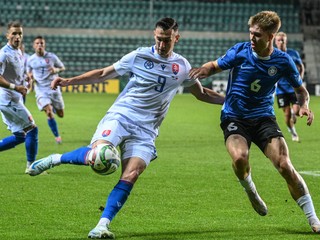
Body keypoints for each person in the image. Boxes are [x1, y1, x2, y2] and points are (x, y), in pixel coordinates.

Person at [27, 17, 225, 239]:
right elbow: (104, 73)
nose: (161, 45)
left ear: (176, 38)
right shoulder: (138, 56)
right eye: (159, 39)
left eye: (166, 41)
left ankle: (102, 225)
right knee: (100, 155)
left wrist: (230, 102)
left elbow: (202, 93)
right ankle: (56, 158)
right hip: (121, 116)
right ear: (154, 35)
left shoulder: (182, 67)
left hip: (147, 130)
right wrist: (68, 81)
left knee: (131, 174)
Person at [189, 11, 320, 233]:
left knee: (285, 165)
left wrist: (304, 105)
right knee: (240, 158)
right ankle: (251, 191)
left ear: (270, 36)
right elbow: (214, 65)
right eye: (250, 33)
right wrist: (203, 70)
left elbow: (301, 91)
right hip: (234, 116)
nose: (252, 38)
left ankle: (313, 218)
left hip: (263, 118)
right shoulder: (240, 51)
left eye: (257, 35)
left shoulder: (283, 61)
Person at [0, 21, 38, 173]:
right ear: (7, 35)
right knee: (32, 130)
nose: (17, 36)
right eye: (14, 33)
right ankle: (32, 167)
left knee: (20, 136)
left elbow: (15, 73)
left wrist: (26, 78)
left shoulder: (19, 51)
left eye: (20, 33)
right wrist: (16, 87)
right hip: (8, 100)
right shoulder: (4, 54)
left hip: (14, 98)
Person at [27, 36, 65, 144]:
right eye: (37, 43)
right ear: (34, 46)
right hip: (41, 90)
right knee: (48, 112)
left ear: (44, 45)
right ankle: (57, 137)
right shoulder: (30, 60)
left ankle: (52, 107)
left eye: (41, 43)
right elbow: (28, 73)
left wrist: (55, 69)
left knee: (61, 114)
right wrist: (30, 77)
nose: (39, 45)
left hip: (54, 88)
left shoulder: (52, 57)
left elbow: (62, 68)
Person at [274, 31, 305, 142]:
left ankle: (294, 113)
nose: (281, 42)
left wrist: (300, 78)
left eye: (283, 40)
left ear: (286, 41)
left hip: (293, 88)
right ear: (275, 42)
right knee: (286, 114)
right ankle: (293, 133)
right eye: (279, 40)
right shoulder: (272, 54)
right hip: (280, 90)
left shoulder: (293, 53)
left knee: (297, 111)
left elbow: (301, 66)